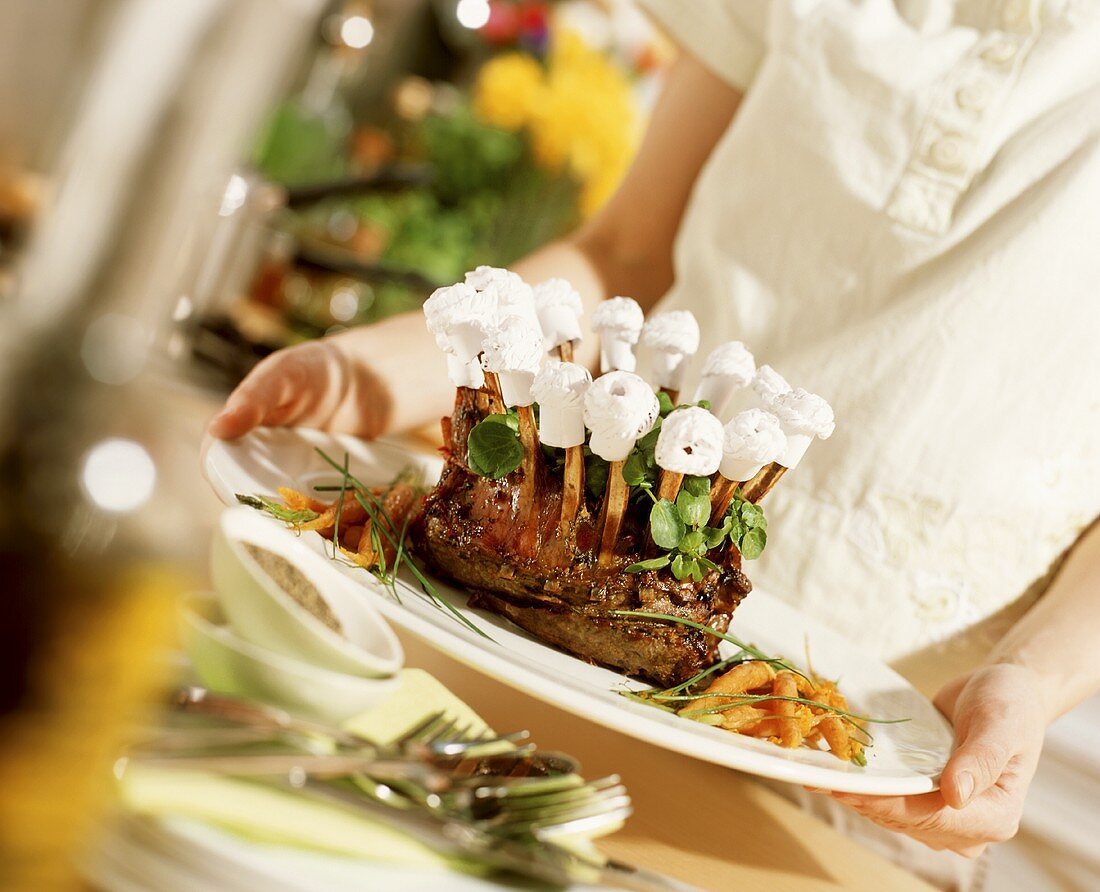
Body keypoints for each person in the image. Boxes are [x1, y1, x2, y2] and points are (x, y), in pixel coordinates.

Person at [210, 2, 1100, 888]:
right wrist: (376, 368)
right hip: (511, 651)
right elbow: (625, 254)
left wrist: (1030, 679)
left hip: (868, 762)